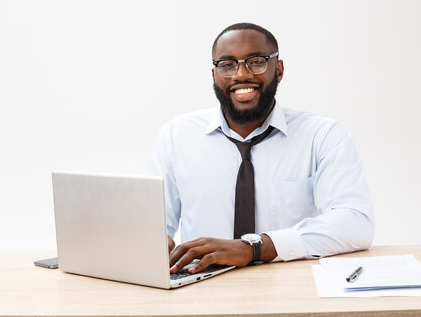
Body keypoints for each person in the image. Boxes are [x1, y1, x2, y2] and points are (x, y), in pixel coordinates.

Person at [147, 22, 374, 275]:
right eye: (227, 65)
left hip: (289, 288)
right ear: (214, 74)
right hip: (199, 286)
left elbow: (356, 222)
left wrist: (254, 248)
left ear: (278, 69)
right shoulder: (177, 135)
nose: (241, 74)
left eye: (256, 62)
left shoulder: (321, 136)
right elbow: (153, 224)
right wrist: (151, 239)